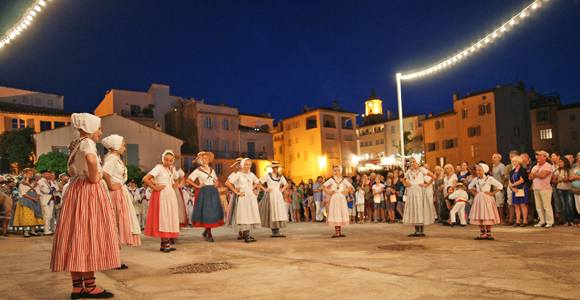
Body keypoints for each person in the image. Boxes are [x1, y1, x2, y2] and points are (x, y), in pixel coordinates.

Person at [50, 113, 119, 298]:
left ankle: (77, 287)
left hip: (76, 190)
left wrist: (81, 174)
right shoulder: (87, 142)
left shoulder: (74, 144)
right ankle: (90, 287)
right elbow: (90, 160)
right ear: (89, 128)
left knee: (76, 235)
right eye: (98, 128)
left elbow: (71, 169)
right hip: (88, 190)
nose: (100, 132)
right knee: (89, 235)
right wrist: (94, 176)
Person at [101, 134, 141, 256]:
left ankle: (114, 254)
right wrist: (111, 185)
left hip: (119, 191)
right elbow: (105, 173)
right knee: (115, 222)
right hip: (115, 193)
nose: (124, 148)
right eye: (123, 145)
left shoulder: (115, 158)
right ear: (116, 145)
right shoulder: (112, 158)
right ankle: (113, 255)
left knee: (117, 222)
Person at [143, 149, 181, 252]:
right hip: (162, 194)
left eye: (170, 160)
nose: (168, 162)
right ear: (163, 159)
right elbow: (146, 178)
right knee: (163, 217)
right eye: (166, 160)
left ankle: (163, 244)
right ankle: (166, 242)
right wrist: (154, 187)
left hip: (169, 193)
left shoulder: (172, 170)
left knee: (168, 217)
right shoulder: (159, 168)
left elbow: (177, 179)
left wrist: (174, 186)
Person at [186, 152, 224, 243]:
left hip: (213, 191)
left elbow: (216, 179)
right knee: (206, 212)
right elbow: (188, 180)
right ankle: (209, 233)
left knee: (213, 211)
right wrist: (198, 186)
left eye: (206, 158)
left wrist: (216, 182)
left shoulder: (211, 169)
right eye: (204, 158)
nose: (206, 159)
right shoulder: (198, 170)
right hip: (204, 191)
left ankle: (207, 230)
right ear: (200, 160)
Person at [226, 158, 262, 243]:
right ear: (242, 165)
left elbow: (258, 182)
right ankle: (246, 236)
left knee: (250, 214)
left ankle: (248, 235)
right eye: (246, 164)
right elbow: (228, 183)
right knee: (244, 215)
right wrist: (235, 192)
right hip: (243, 196)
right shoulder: (239, 174)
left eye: (249, 164)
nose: (248, 166)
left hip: (250, 196)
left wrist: (256, 192)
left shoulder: (252, 174)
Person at [403, 156, 436, 237]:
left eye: (414, 162)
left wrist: (426, 185)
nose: (412, 163)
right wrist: (408, 184)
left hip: (420, 190)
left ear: (417, 162)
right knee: (414, 209)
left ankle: (421, 230)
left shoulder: (422, 170)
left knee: (420, 209)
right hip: (412, 191)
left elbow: (433, 176)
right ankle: (416, 230)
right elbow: (404, 179)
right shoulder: (409, 171)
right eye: (411, 162)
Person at [469, 164, 503, 240]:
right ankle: (482, 233)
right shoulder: (476, 179)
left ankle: (488, 233)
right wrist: (475, 193)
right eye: (477, 170)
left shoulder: (489, 178)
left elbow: (500, 186)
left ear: (484, 171)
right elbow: (470, 186)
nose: (478, 172)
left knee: (487, 215)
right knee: (480, 215)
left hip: (487, 198)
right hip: (479, 198)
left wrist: (492, 193)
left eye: (479, 170)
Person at [321, 165, 353, 238]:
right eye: (335, 170)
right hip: (334, 197)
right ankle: (337, 232)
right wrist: (329, 192)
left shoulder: (343, 180)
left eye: (338, 170)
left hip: (341, 197)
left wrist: (345, 192)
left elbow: (350, 186)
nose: (336, 172)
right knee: (336, 213)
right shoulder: (332, 180)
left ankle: (339, 232)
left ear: (340, 171)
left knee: (340, 213)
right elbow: (323, 186)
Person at [259, 161, 289, 237]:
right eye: (276, 167)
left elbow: (286, 184)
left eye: (278, 167)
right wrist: (265, 189)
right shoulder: (268, 176)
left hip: (278, 195)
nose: (277, 168)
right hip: (271, 195)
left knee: (278, 211)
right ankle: (274, 231)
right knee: (272, 212)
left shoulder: (280, 176)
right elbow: (258, 182)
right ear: (272, 167)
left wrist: (281, 190)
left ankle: (277, 231)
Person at [13, 168, 43, 237]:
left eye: (31, 173)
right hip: (26, 199)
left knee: (33, 215)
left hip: (35, 199)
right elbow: (22, 193)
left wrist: (37, 197)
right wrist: (32, 198)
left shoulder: (34, 183)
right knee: (26, 215)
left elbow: (38, 191)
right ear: (25, 174)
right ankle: (25, 231)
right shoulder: (22, 183)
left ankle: (32, 231)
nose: (30, 175)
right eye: (28, 173)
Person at [530, 151, 554, 228]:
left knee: (547, 206)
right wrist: (537, 174)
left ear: (545, 157)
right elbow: (530, 177)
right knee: (538, 206)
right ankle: (542, 221)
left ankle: (550, 221)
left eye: (540, 155)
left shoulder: (548, 166)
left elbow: (543, 175)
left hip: (545, 188)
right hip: (536, 188)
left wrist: (535, 174)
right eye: (537, 155)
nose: (537, 157)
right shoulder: (535, 167)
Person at [225, 158, 246, 239]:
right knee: (238, 213)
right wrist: (235, 189)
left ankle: (246, 231)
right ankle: (240, 232)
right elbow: (227, 183)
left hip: (246, 194)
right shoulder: (235, 173)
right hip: (238, 194)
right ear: (238, 165)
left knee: (246, 213)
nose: (242, 165)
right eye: (241, 163)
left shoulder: (248, 173)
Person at [552, 158, 575, 227]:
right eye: (560, 162)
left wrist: (568, 179)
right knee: (563, 205)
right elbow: (553, 181)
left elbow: (572, 179)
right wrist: (562, 180)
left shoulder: (570, 171)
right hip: (560, 189)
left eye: (561, 162)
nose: (560, 163)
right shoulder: (557, 171)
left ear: (565, 163)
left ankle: (571, 220)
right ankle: (566, 221)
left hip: (568, 189)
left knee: (570, 205)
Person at [509, 155, 529, 227]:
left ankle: (525, 220)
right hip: (515, 189)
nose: (514, 163)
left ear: (519, 162)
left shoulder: (523, 170)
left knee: (522, 204)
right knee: (516, 205)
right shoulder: (512, 171)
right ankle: (517, 220)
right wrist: (512, 187)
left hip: (521, 188)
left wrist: (513, 185)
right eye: (513, 161)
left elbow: (522, 180)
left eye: (515, 161)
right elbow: (509, 180)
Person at [37, 169, 58, 236]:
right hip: (45, 200)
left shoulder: (50, 181)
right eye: (47, 174)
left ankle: (47, 230)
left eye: (49, 174)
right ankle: (46, 230)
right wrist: (52, 189)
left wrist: (51, 189)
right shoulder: (41, 181)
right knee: (47, 215)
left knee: (50, 216)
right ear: (43, 174)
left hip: (51, 199)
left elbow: (57, 188)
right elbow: (45, 190)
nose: (49, 175)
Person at [491, 154, 507, 225]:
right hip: (494, 188)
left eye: (494, 157)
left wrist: (501, 186)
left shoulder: (501, 166)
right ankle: (498, 219)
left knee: (500, 204)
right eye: (492, 157)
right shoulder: (494, 167)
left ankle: (503, 219)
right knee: (496, 204)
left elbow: (504, 177)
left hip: (499, 188)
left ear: (499, 159)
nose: (493, 159)